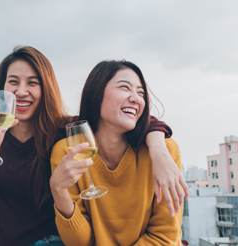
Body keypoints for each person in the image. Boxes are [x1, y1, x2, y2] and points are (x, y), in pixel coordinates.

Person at [0, 46, 183, 245]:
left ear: (46, 89)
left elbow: (123, 119)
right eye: (13, 82)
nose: (22, 91)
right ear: (2, 89)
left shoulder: (63, 131)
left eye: (33, 83)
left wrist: (159, 150)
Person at [50, 60, 183, 245]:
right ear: (97, 93)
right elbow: (79, 242)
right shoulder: (68, 151)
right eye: (125, 87)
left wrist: (159, 149)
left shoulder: (164, 152)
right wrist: (59, 191)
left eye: (141, 92)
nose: (136, 98)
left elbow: (165, 237)